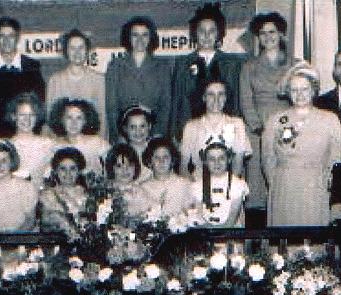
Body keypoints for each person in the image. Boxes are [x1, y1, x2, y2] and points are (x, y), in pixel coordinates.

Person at [262, 64, 341, 226]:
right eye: (294, 90)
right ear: (288, 92)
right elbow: (268, 157)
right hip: (285, 187)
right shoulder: (275, 120)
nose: (299, 95)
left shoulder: (330, 119)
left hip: (316, 186)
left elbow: (336, 156)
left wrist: (327, 183)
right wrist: (278, 182)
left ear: (313, 90)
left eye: (304, 89)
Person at [239, 11, 295, 227]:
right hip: (257, 130)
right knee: (258, 185)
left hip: (287, 128)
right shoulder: (249, 67)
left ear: (281, 34)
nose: (267, 37)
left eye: (272, 32)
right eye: (262, 33)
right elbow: (246, 101)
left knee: (284, 180)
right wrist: (258, 127)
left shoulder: (295, 64)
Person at [171, 3, 243, 139]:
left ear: (219, 33)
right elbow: (176, 102)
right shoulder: (183, 63)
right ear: (194, 33)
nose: (206, 35)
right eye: (201, 31)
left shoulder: (231, 63)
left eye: (212, 31)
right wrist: (174, 135)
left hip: (222, 131)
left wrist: (235, 134)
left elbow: (235, 102)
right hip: (189, 130)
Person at [0, 17, 46, 141]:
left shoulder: (32, 67)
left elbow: (39, 105)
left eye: (11, 36)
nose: (7, 41)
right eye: (2, 36)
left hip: (26, 137)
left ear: (17, 38)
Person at [105, 17, 173, 142]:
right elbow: (111, 106)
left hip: (153, 133)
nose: (140, 40)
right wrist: (118, 135)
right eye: (135, 35)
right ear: (128, 38)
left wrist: (158, 134)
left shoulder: (162, 66)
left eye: (145, 35)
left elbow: (166, 104)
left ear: (151, 37)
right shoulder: (115, 65)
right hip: (125, 134)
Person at [179, 78, 251, 179]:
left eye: (221, 94)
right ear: (204, 97)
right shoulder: (191, 126)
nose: (216, 99)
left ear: (226, 97)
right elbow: (183, 167)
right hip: (198, 182)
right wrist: (194, 188)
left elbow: (238, 164)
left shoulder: (237, 124)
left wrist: (229, 188)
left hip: (228, 183)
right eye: (211, 94)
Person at [46, 29, 107, 139]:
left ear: (87, 50)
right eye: (72, 48)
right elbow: (50, 120)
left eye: (81, 48)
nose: (77, 52)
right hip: (62, 143)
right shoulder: (55, 80)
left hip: (90, 142)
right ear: (66, 51)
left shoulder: (99, 80)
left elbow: (102, 118)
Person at [0, 140, 39, 233]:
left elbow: (30, 220)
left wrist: (14, 239)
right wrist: (1, 240)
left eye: (4, 161)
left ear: (11, 162)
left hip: (25, 240)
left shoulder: (26, 187)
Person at [188, 141, 247, 228]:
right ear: (205, 162)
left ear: (229, 159)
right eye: (212, 159)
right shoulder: (197, 185)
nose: (217, 162)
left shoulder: (238, 184)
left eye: (221, 158)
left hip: (231, 233)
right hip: (206, 232)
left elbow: (232, 218)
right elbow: (199, 215)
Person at [49, 98, 110, 177]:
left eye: (79, 118)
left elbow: (114, 163)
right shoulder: (54, 146)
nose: (74, 123)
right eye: (69, 117)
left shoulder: (97, 143)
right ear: (61, 120)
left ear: (85, 121)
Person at [38, 147, 89, 240]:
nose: (68, 173)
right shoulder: (47, 195)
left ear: (79, 171)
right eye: (63, 169)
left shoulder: (89, 194)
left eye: (73, 169)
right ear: (56, 171)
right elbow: (46, 223)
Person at [6, 93, 55, 187]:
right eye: (22, 115)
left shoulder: (47, 144)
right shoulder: (6, 146)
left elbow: (50, 178)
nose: (27, 120)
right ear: (13, 116)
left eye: (31, 115)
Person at [139, 137, 192, 220]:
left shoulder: (184, 184)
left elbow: (190, 213)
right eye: (157, 158)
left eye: (166, 157)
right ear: (150, 161)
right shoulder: (143, 188)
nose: (161, 161)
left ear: (172, 160)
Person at [106, 143, 153, 221]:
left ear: (136, 167)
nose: (125, 170)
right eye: (119, 166)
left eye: (130, 165)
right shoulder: (106, 190)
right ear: (111, 168)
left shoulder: (140, 192)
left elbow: (149, 214)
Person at [117, 105, 155, 182]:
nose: (138, 131)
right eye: (133, 127)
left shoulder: (156, 151)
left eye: (142, 126)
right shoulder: (120, 154)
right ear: (125, 129)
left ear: (149, 126)